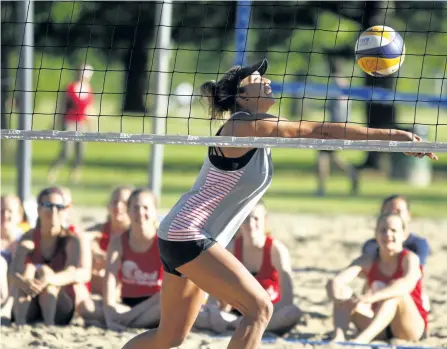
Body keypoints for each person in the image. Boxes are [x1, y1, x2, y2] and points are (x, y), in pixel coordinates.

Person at [121, 58, 437, 349]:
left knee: (171, 336)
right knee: (259, 310)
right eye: (258, 77)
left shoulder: (261, 128)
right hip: (188, 234)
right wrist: (394, 136)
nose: (268, 80)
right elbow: (320, 130)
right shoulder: (245, 126)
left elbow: (316, 131)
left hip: (182, 234)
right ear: (242, 96)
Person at [195, 200, 301, 336]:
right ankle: (240, 325)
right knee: (196, 313)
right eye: (246, 219)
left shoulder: (276, 250)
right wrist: (215, 311)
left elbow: (287, 300)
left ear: (265, 221)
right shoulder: (231, 248)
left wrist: (262, 315)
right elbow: (213, 294)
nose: (251, 224)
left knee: (293, 312)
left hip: (267, 313)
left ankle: (240, 326)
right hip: (234, 312)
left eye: (256, 219)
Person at [326, 214, 428, 343]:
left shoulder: (409, 258)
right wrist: (334, 288)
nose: (387, 234)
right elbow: (339, 280)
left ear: (404, 235)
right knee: (342, 292)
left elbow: (405, 285)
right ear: (376, 235)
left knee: (395, 295)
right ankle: (338, 336)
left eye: (393, 230)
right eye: (383, 230)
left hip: (409, 327)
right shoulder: (369, 259)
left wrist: (371, 297)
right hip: (379, 325)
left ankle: (361, 340)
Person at [10, 187, 88, 325]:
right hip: (31, 302)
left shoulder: (71, 240)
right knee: (28, 270)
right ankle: (20, 323)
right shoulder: (28, 238)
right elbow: (13, 273)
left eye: (59, 207)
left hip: (59, 304)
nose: (53, 211)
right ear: (39, 210)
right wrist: (24, 282)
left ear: (65, 210)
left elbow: (76, 272)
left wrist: (49, 279)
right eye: (48, 206)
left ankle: (49, 324)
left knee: (45, 272)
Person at [103, 188, 163, 330]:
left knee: (173, 302)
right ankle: (124, 321)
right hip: (127, 303)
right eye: (135, 208)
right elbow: (110, 276)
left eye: (145, 208)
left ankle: (127, 323)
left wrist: (129, 316)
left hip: (157, 303)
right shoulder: (119, 241)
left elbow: (169, 289)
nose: (140, 213)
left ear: (155, 212)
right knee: (86, 307)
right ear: (128, 212)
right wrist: (109, 311)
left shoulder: (164, 241)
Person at [317, 58, 358, 196]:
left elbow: (340, 105)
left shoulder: (337, 82)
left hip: (337, 125)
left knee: (323, 156)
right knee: (331, 157)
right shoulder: (341, 82)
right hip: (337, 125)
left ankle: (322, 189)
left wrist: (337, 126)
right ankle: (352, 174)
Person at [48, 64, 95, 183]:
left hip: (82, 123)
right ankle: (53, 172)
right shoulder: (70, 87)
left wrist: (92, 126)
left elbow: (89, 109)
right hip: (69, 121)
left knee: (80, 152)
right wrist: (56, 122)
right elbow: (62, 106)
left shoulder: (89, 89)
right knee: (66, 152)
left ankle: (74, 177)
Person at [86, 186, 132, 295]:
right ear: (108, 206)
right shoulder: (96, 232)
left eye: (124, 203)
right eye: (115, 202)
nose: (118, 206)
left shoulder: (136, 235)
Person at [361, 195, 430, 266]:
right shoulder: (371, 245)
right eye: (388, 212)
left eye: (398, 211)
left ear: (409, 215)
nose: (393, 215)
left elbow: (416, 271)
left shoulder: (417, 245)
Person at [0, 195, 27, 320]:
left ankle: (8, 306)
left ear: (19, 216)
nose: (5, 215)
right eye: (1, 211)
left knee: (20, 256)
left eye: (10, 211)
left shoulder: (25, 239)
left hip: (16, 293)